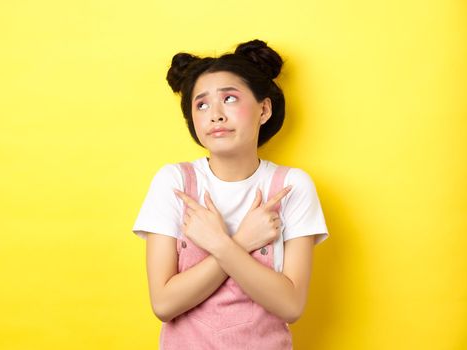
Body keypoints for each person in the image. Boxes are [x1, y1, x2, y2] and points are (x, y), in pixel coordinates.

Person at [132, 39, 329, 349]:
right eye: (202, 104)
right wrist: (242, 243)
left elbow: (291, 306)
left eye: (230, 99)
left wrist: (220, 245)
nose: (216, 114)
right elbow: (164, 304)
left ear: (264, 109)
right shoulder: (174, 182)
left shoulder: (291, 186)